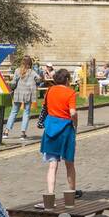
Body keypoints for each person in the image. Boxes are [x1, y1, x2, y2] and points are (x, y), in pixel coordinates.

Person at [40, 68, 79, 198]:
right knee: (69, 163)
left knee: (52, 165)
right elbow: (73, 112)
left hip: (50, 127)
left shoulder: (49, 90)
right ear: (67, 80)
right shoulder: (70, 93)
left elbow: (45, 107)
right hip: (65, 129)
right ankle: (72, 192)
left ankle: (50, 194)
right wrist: (76, 124)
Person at [3, 55, 40, 141]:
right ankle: (23, 133)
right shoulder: (32, 72)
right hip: (28, 94)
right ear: (30, 63)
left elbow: (13, 83)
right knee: (26, 113)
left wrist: (11, 87)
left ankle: (6, 131)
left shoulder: (17, 71)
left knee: (14, 112)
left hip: (18, 94)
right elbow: (38, 79)